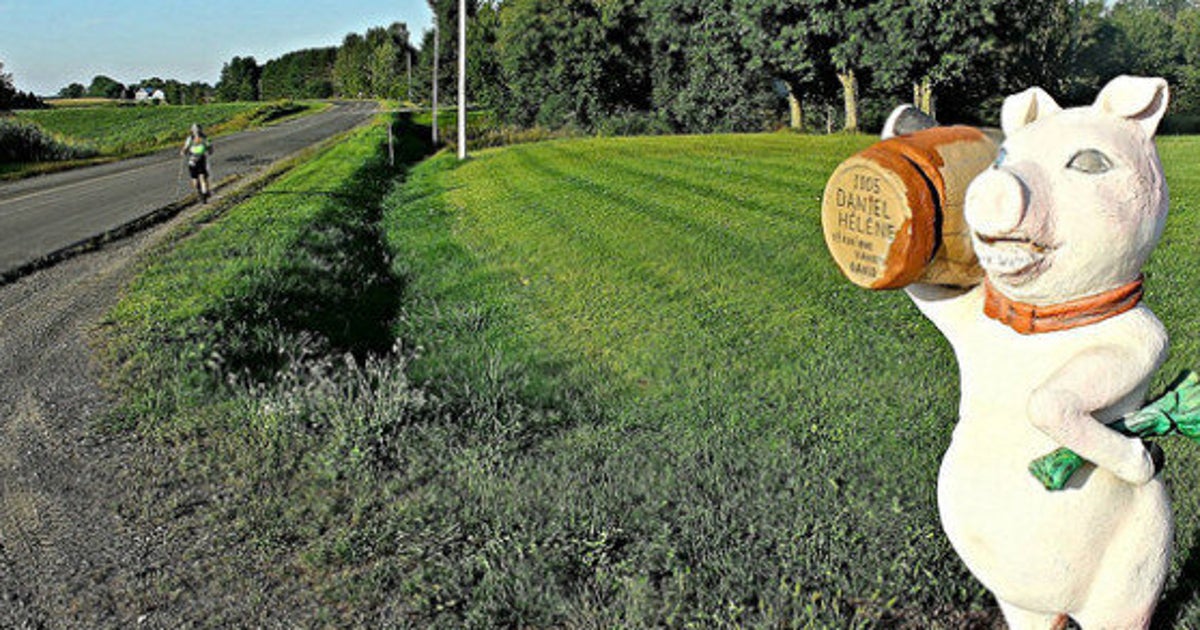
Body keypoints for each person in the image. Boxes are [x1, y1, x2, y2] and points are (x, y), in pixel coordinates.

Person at [181, 123, 212, 202]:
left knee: (202, 177)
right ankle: (200, 192)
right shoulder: (191, 139)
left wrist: (209, 150)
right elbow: (186, 147)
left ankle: (204, 194)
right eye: (195, 130)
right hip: (193, 160)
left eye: (197, 130)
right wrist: (183, 151)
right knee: (196, 180)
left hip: (200, 159)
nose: (196, 131)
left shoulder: (203, 138)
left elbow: (209, 147)